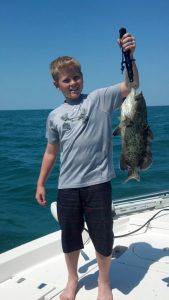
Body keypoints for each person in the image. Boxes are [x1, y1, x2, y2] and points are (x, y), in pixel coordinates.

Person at [35, 31, 139, 300]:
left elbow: (131, 86)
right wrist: (40, 182)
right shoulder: (54, 116)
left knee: (103, 235)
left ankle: (104, 282)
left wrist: (128, 55)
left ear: (83, 78)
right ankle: (73, 280)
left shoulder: (100, 99)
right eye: (66, 80)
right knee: (69, 238)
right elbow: (50, 152)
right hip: (67, 187)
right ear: (56, 84)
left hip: (98, 184)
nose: (73, 83)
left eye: (76, 77)